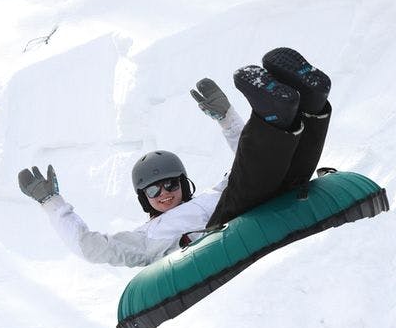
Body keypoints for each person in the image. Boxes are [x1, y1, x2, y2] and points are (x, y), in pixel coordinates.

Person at [18, 47, 332, 267]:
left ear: (183, 182)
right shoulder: (144, 239)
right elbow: (90, 247)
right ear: (143, 198)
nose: (165, 193)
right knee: (257, 180)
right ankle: (279, 114)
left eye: (170, 184)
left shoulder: (212, 193)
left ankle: (309, 104)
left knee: (281, 172)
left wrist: (226, 117)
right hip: (218, 232)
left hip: (253, 204)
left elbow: (245, 160)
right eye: (154, 190)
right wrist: (52, 203)